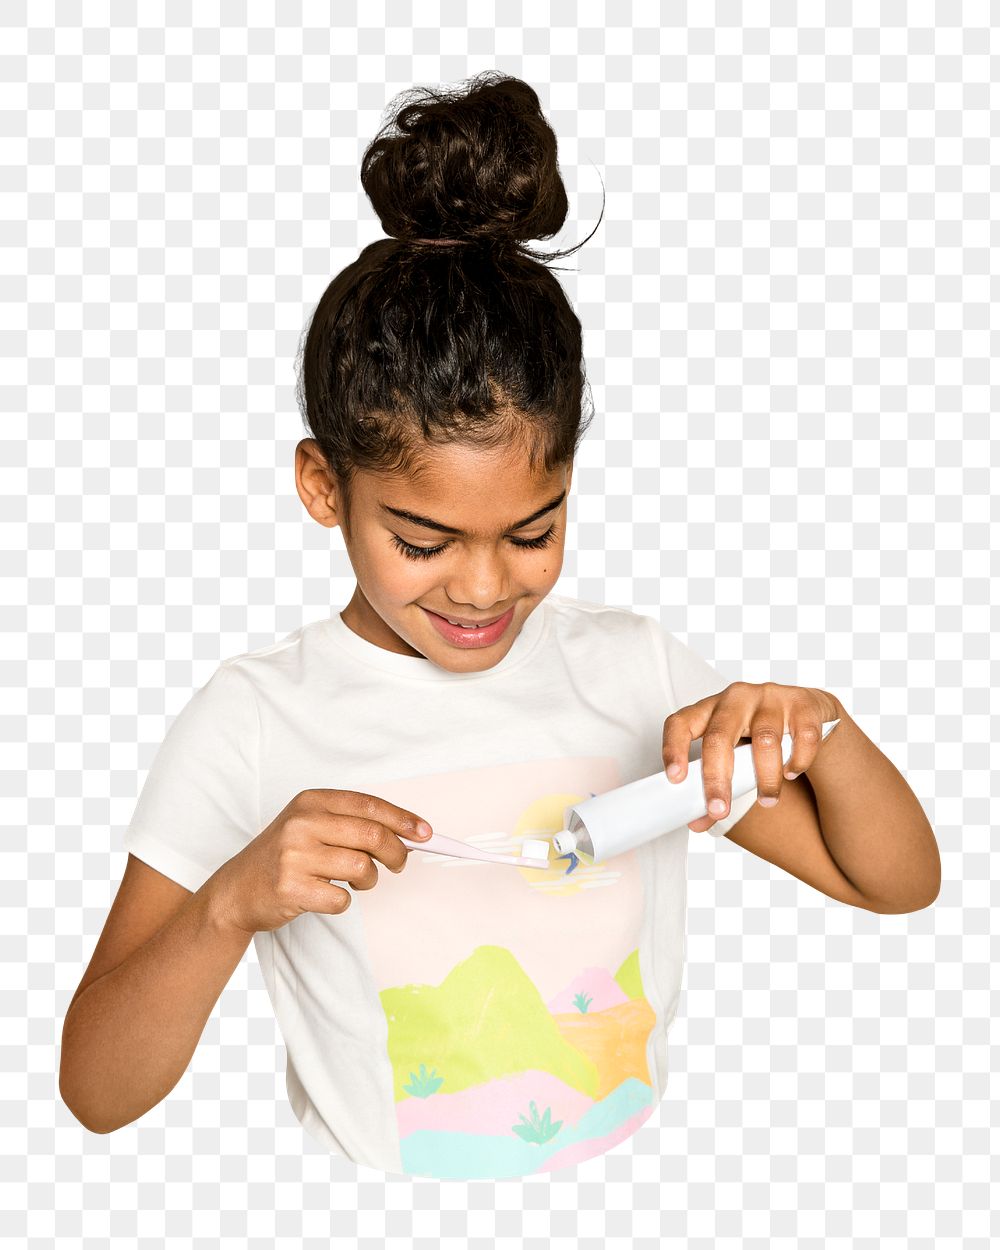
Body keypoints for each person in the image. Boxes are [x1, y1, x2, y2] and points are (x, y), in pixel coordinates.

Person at [59, 71, 940, 1181]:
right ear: (323, 487)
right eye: (423, 541)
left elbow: (893, 882)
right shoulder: (252, 721)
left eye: (533, 529)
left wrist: (822, 730)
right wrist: (230, 899)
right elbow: (95, 1090)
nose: (482, 588)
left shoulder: (635, 674)